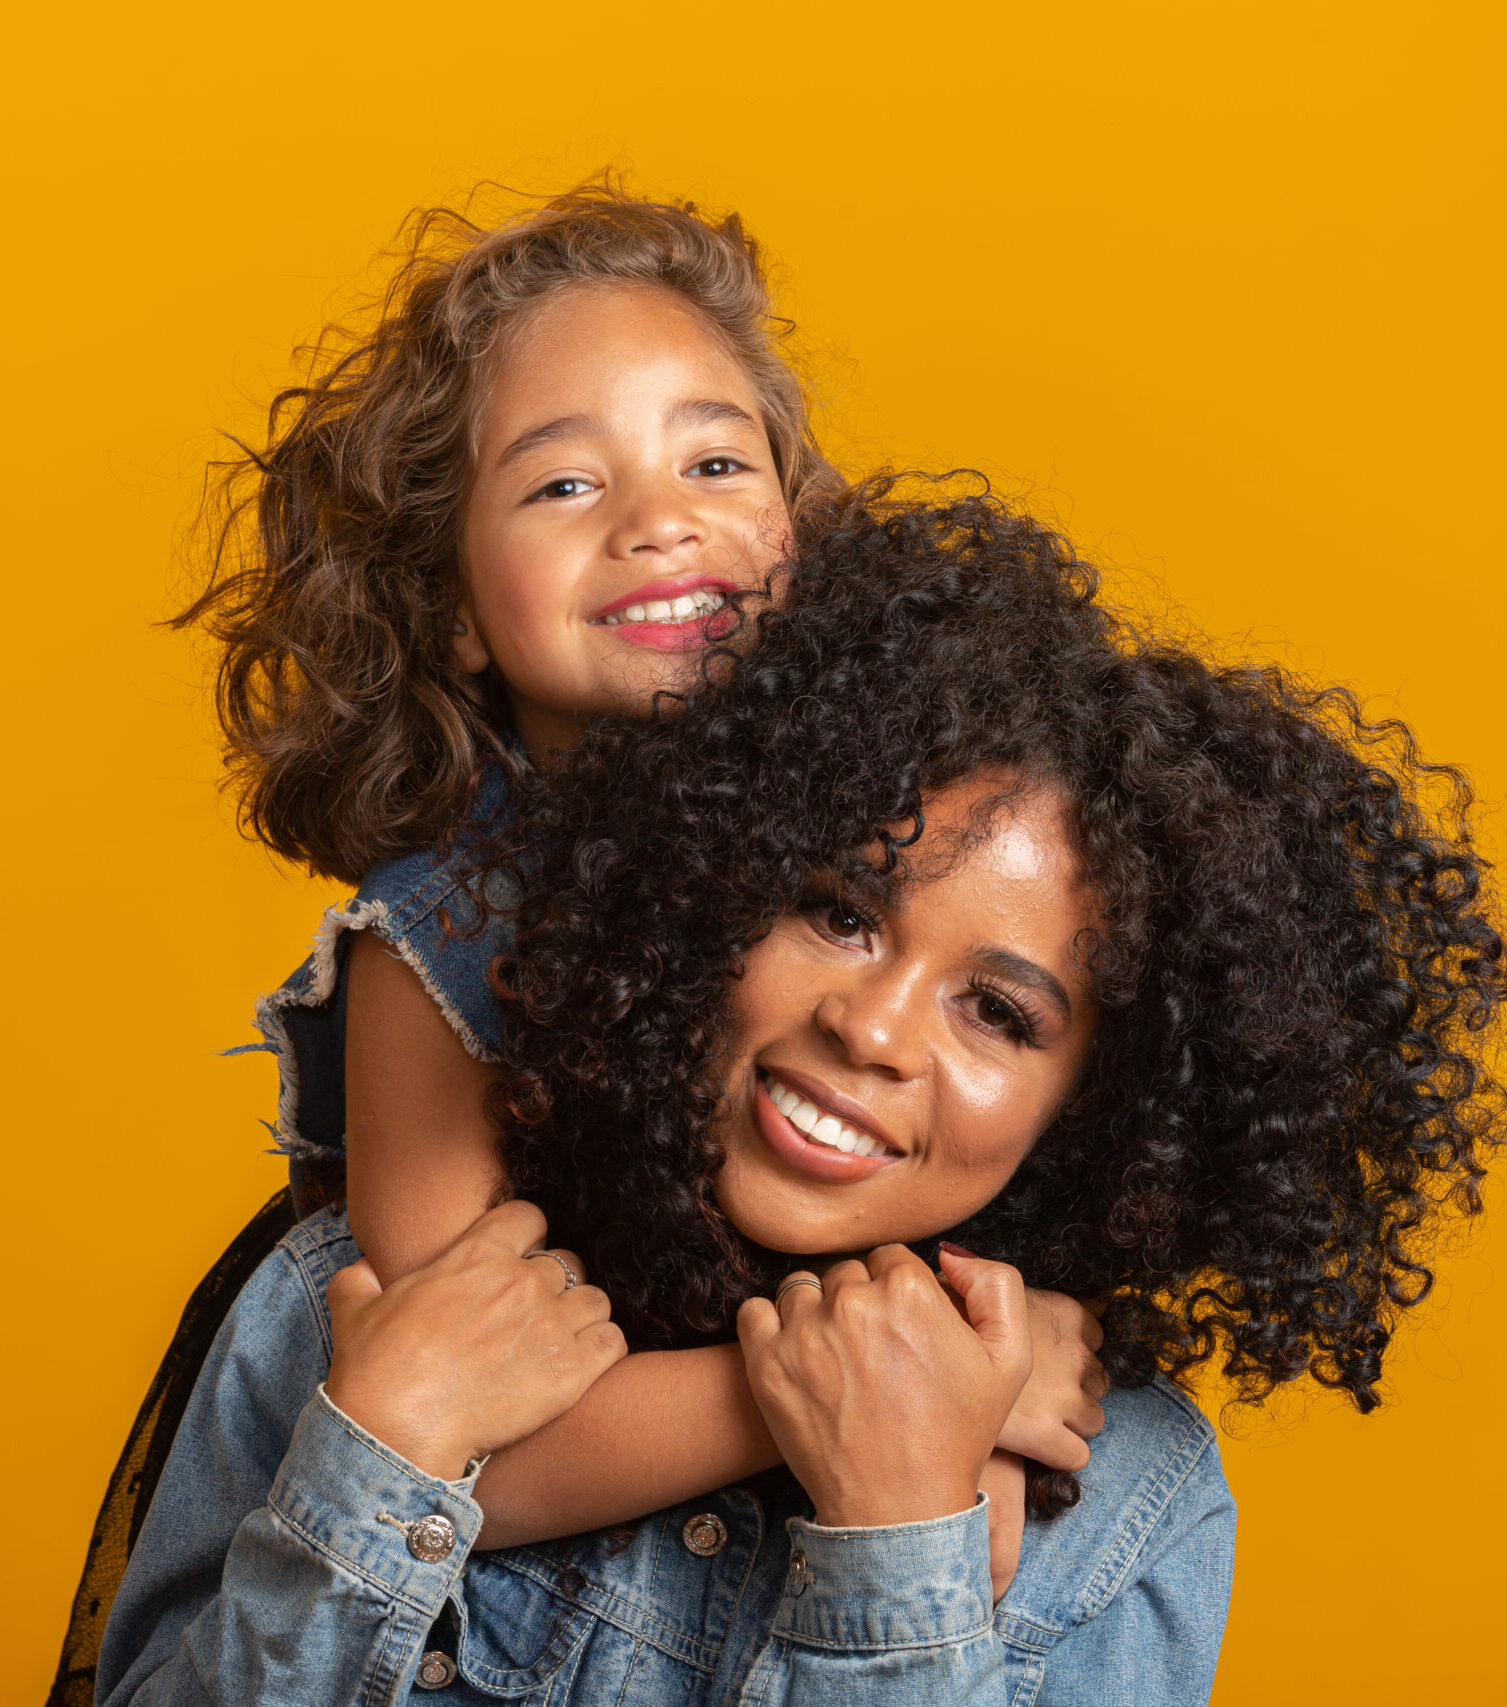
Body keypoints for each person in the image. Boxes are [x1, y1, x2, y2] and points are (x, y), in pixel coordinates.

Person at [97, 485, 1507, 1703]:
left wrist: (898, 1534)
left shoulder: (1124, 1501)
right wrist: (382, 1460)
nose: (871, 1025)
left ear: (1100, 1113)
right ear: (707, 888)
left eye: (998, 1011)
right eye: (840, 913)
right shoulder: (362, 1312)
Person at [169, 179, 1104, 1575]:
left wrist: (1009, 1341)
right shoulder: (441, 929)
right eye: (563, 483)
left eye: (716, 465)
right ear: (454, 610)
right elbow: (452, 1443)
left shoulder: (881, 855)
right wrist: (876, 1392)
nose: (659, 520)